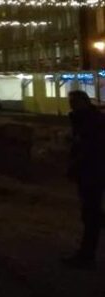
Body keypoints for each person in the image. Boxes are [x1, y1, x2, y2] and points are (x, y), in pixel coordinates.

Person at [63, 90, 105, 269]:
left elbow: (88, 149)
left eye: (74, 102)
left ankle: (87, 255)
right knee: (91, 213)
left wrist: (74, 166)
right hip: (91, 172)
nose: (71, 105)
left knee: (91, 214)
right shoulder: (87, 119)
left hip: (92, 173)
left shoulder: (89, 121)